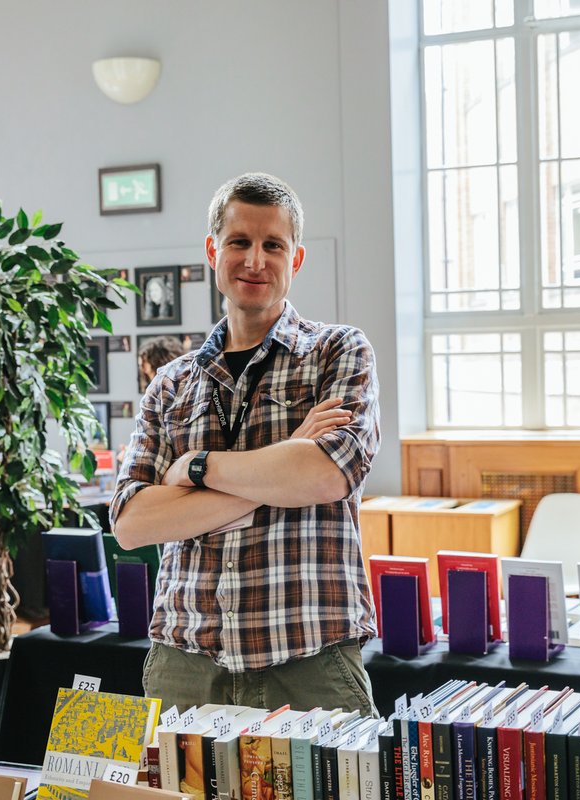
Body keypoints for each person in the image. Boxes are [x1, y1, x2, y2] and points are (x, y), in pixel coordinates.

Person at [110, 172, 380, 715]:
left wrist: (196, 467)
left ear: (295, 259)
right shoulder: (172, 383)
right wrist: (282, 466)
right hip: (184, 664)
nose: (255, 260)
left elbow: (327, 475)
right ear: (213, 251)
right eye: (239, 242)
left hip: (309, 662)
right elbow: (132, 523)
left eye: (272, 245)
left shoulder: (338, 353)